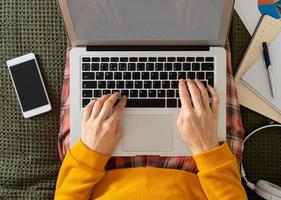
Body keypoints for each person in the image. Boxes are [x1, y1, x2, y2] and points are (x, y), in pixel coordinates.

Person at [55, 79, 247, 199]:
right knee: (205, 37)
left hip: (97, 168)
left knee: (92, 38)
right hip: (202, 169)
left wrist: (89, 153)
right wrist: (207, 150)